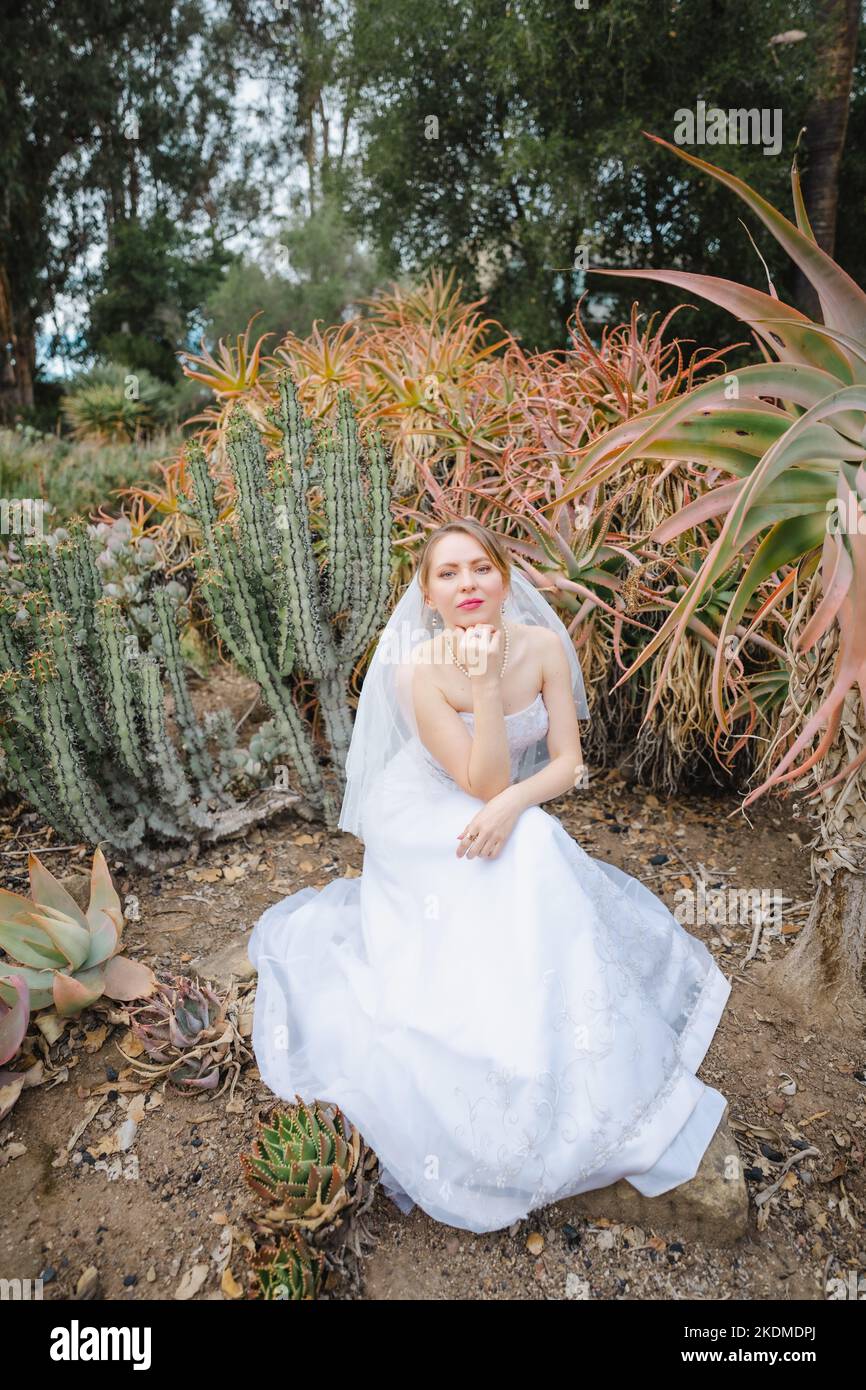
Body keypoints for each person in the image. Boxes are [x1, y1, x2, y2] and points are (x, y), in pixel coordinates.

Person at [247, 519, 731, 1234]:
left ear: (505, 578)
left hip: (496, 800)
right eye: (448, 573)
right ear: (428, 593)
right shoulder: (422, 671)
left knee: (532, 840)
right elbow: (480, 781)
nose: (467, 584)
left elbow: (567, 762)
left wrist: (512, 804)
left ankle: (573, 1031)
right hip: (425, 813)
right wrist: (480, 688)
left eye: (480, 568)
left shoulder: (539, 648)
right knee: (529, 847)